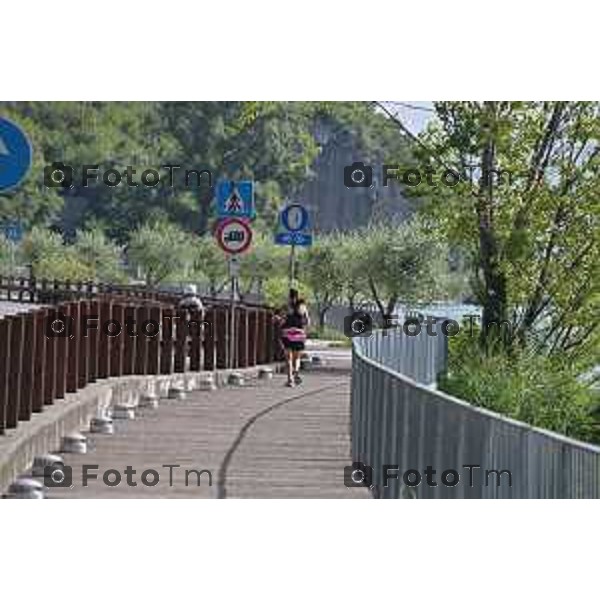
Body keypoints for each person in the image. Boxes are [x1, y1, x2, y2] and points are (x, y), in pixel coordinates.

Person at [281, 292, 310, 387]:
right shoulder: (302, 307)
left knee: (288, 358)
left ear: (289, 297)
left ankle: (290, 380)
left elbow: (282, 319)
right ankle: (296, 371)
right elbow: (307, 321)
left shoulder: (287, 307)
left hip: (287, 333)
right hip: (299, 334)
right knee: (297, 357)